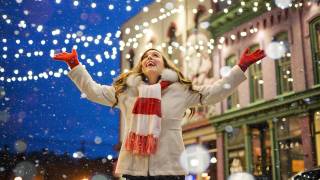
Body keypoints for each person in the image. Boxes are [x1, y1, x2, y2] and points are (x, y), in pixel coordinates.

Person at [53, 48, 265, 180]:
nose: (149, 58)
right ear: (141, 66)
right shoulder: (127, 91)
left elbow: (214, 92)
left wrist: (241, 67)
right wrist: (75, 65)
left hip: (169, 167)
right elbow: (94, 91)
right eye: (145, 57)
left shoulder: (180, 90)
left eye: (155, 55)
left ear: (164, 65)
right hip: (135, 168)